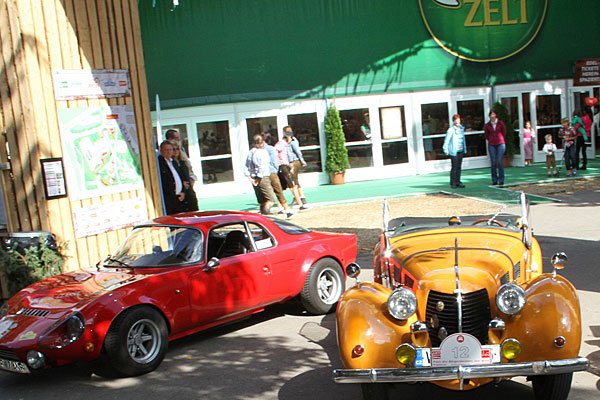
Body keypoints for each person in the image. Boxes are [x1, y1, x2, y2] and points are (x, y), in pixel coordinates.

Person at [244, 134, 276, 214]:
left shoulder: (250, 152)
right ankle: (266, 213)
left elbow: (246, 166)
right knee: (271, 200)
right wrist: (258, 178)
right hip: (262, 177)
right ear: (261, 143)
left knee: (262, 200)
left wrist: (250, 178)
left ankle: (262, 214)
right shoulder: (262, 152)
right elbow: (262, 167)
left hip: (253, 177)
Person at [264, 135, 294, 218]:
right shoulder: (272, 148)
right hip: (272, 172)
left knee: (266, 194)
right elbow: (275, 161)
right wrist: (275, 169)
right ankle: (287, 210)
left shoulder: (255, 151)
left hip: (262, 174)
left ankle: (266, 211)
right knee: (279, 191)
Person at [274, 133, 306, 210]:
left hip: (283, 166)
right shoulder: (282, 144)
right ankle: (300, 205)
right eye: (291, 139)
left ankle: (280, 208)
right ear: (288, 138)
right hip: (283, 166)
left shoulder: (282, 144)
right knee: (293, 186)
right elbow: (275, 151)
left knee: (282, 188)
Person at [157, 140, 186, 215]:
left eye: (170, 149)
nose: (169, 152)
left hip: (179, 199)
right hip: (169, 200)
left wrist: (183, 191)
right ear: (161, 151)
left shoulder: (174, 162)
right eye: (166, 150)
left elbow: (180, 178)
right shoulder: (159, 164)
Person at [283, 126, 308, 206]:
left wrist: (302, 161)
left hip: (294, 162)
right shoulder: (285, 141)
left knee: (293, 180)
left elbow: (298, 152)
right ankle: (298, 197)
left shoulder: (293, 141)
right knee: (292, 181)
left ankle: (301, 197)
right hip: (288, 163)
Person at [171, 141, 199, 211]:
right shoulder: (171, 164)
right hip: (180, 193)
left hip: (189, 192)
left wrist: (191, 180)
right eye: (173, 149)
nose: (176, 151)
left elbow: (189, 174)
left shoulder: (183, 163)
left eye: (177, 149)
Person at [443, 114, 466, 189]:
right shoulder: (451, 130)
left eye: (458, 119)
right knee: (454, 167)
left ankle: (458, 181)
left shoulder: (461, 129)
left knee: (459, 167)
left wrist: (465, 148)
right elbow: (447, 140)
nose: (457, 121)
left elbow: (463, 140)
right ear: (453, 121)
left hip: (460, 150)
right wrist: (445, 149)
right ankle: (453, 182)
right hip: (454, 151)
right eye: (455, 120)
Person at [484, 110, 506, 186]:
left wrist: (500, 139)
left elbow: (504, 132)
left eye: (494, 114)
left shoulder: (500, 123)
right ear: (489, 116)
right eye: (491, 115)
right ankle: (494, 180)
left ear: (496, 115)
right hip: (491, 144)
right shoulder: (487, 125)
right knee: (493, 162)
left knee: (500, 161)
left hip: (500, 144)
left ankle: (501, 179)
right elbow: (486, 135)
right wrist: (491, 139)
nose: (492, 116)